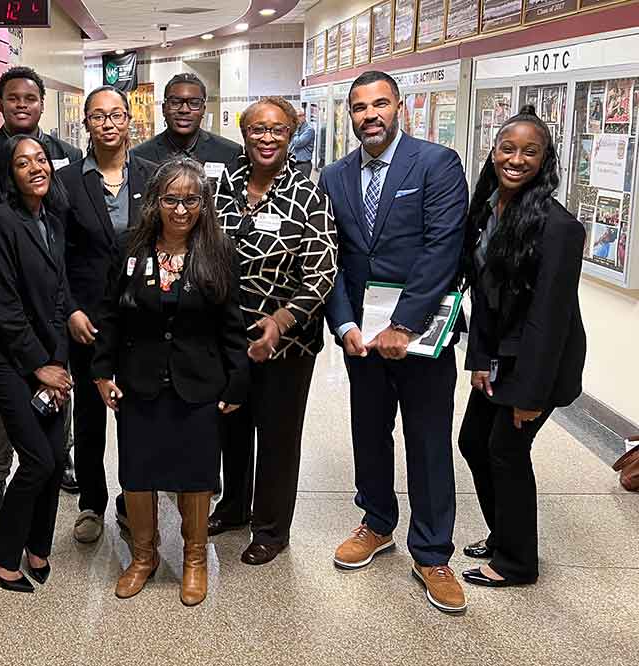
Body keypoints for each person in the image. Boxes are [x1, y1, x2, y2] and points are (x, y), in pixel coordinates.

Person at [318, 71, 469, 614]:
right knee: (370, 434)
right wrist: (344, 325)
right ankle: (377, 520)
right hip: (362, 340)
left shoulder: (436, 164)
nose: (370, 115)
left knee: (429, 441)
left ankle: (431, 553)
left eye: (379, 104)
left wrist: (403, 324)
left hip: (421, 339)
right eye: (359, 107)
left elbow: (442, 248)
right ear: (349, 115)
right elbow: (328, 258)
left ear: (399, 106)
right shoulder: (334, 176)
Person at [92, 158, 248, 606]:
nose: (181, 210)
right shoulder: (130, 248)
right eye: (171, 199)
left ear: (204, 203)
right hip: (139, 383)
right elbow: (110, 315)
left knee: (196, 475)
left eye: (191, 200)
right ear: (155, 202)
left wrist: (237, 381)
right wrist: (102, 372)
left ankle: (195, 559)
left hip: (199, 383)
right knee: (138, 475)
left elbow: (232, 324)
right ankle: (144, 557)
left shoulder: (219, 250)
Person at [458, 105, 586, 588]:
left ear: (544, 159)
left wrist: (528, 396)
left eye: (529, 152)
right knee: (473, 442)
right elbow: (486, 298)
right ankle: (502, 534)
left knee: (506, 452)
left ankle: (517, 562)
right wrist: (480, 361)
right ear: (493, 153)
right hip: (500, 356)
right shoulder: (491, 208)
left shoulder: (558, 228)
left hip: (538, 364)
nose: (517, 159)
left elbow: (547, 322)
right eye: (508, 148)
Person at [212, 97, 338, 565]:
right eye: (258, 129)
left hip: (287, 343)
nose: (267, 138)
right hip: (230, 338)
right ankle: (234, 506)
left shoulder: (310, 196)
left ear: (292, 134)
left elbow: (322, 272)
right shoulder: (221, 188)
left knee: (278, 436)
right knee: (232, 426)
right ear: (244, 134)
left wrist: (281, 321)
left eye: (278, 130)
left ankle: (270, 527)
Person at [0, 66, 82, 513]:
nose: (22, 104)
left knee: (57, 376)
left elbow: (65, 221)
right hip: (3, 291)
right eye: (13, 98)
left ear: (42, 104)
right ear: (1, 102)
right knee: (1, 394)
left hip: (49, 289)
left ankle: (60, 455)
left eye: (31, 97)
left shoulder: (65, 154)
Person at [0, 135, 72, 593]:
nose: (36, 168)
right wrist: (39, 367)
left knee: (53, 452)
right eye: (22, 163)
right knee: (37, 459)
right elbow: (3, 305)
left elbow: (59, 293)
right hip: (8, 358)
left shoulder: (52, 218)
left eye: (41, 159)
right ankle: (0, 552)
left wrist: (59, 361)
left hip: (51, 354)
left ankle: (39, 544)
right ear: (8, 174)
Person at [58, 86, 157, 544]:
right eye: (99, 116)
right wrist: (71, 309)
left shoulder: (154, 177)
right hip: (87, 319)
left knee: (137, 414)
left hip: (141, 317)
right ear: (87, 123)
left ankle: (130, 500)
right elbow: (54, 255)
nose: (109, 123)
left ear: (130, 121)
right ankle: (92, 503)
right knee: (92, 417)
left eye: (117, 114)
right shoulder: (68, 182)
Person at [132, 73, 242, 173]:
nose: (184, 110)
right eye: (175, 103)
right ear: (164, 109)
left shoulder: (229, 153)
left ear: (203, 110)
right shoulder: (139, 156)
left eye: (194, 103)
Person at [289, 103, 316, 178]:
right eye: (296, 116)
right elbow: (290, 145)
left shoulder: (309, 130)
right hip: (293, 163)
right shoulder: (297, 129)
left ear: (304, 116)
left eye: (299, 116)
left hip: (303, 165)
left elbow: (298, 143)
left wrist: (295, 129)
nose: (297, 119)